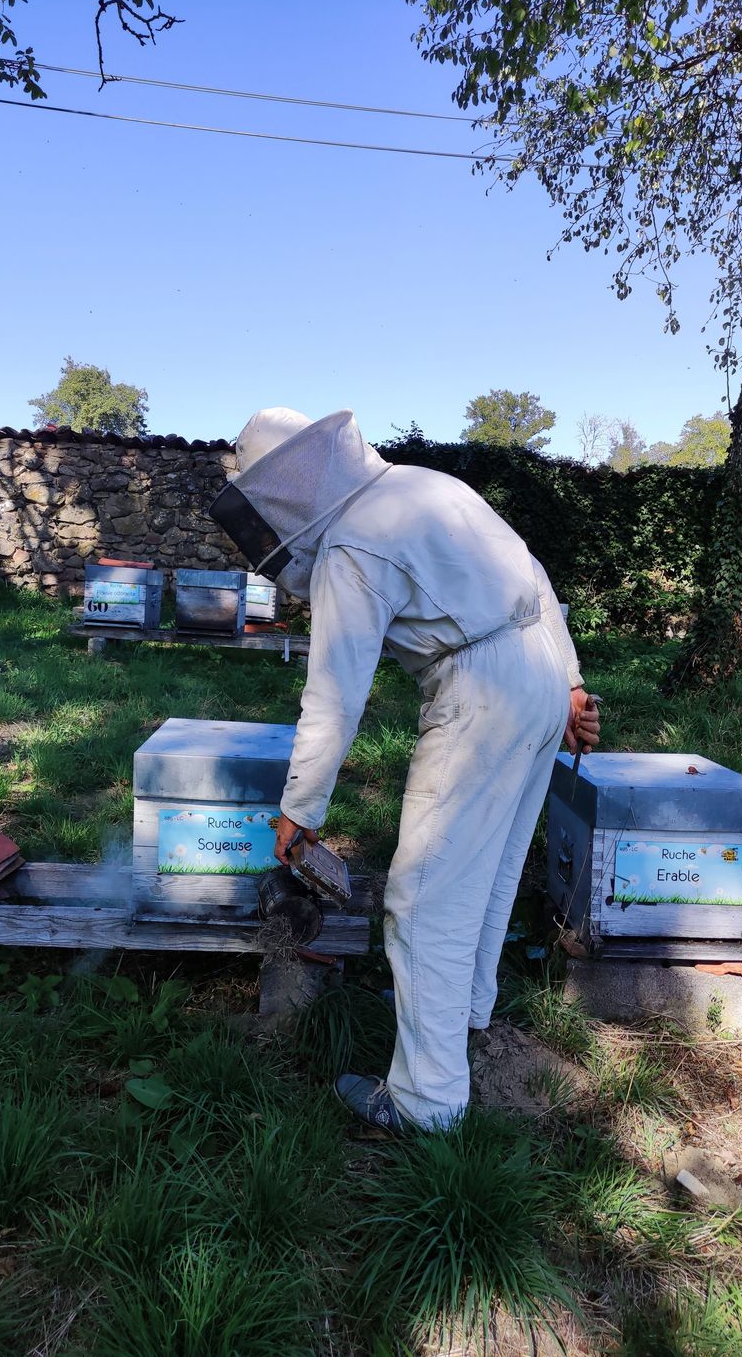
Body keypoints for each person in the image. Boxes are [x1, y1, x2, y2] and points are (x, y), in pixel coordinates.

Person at [209, 408, 600, 1133]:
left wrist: (302, 808)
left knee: (424, 896)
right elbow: (536, 576)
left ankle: (426, 1102)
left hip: (482, 693)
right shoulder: (427, 486)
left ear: (282, 493)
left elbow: (333, 693)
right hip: (538, 669)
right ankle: (462, 1011)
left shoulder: (351, 547)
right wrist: (571, 684)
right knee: (488, 871)